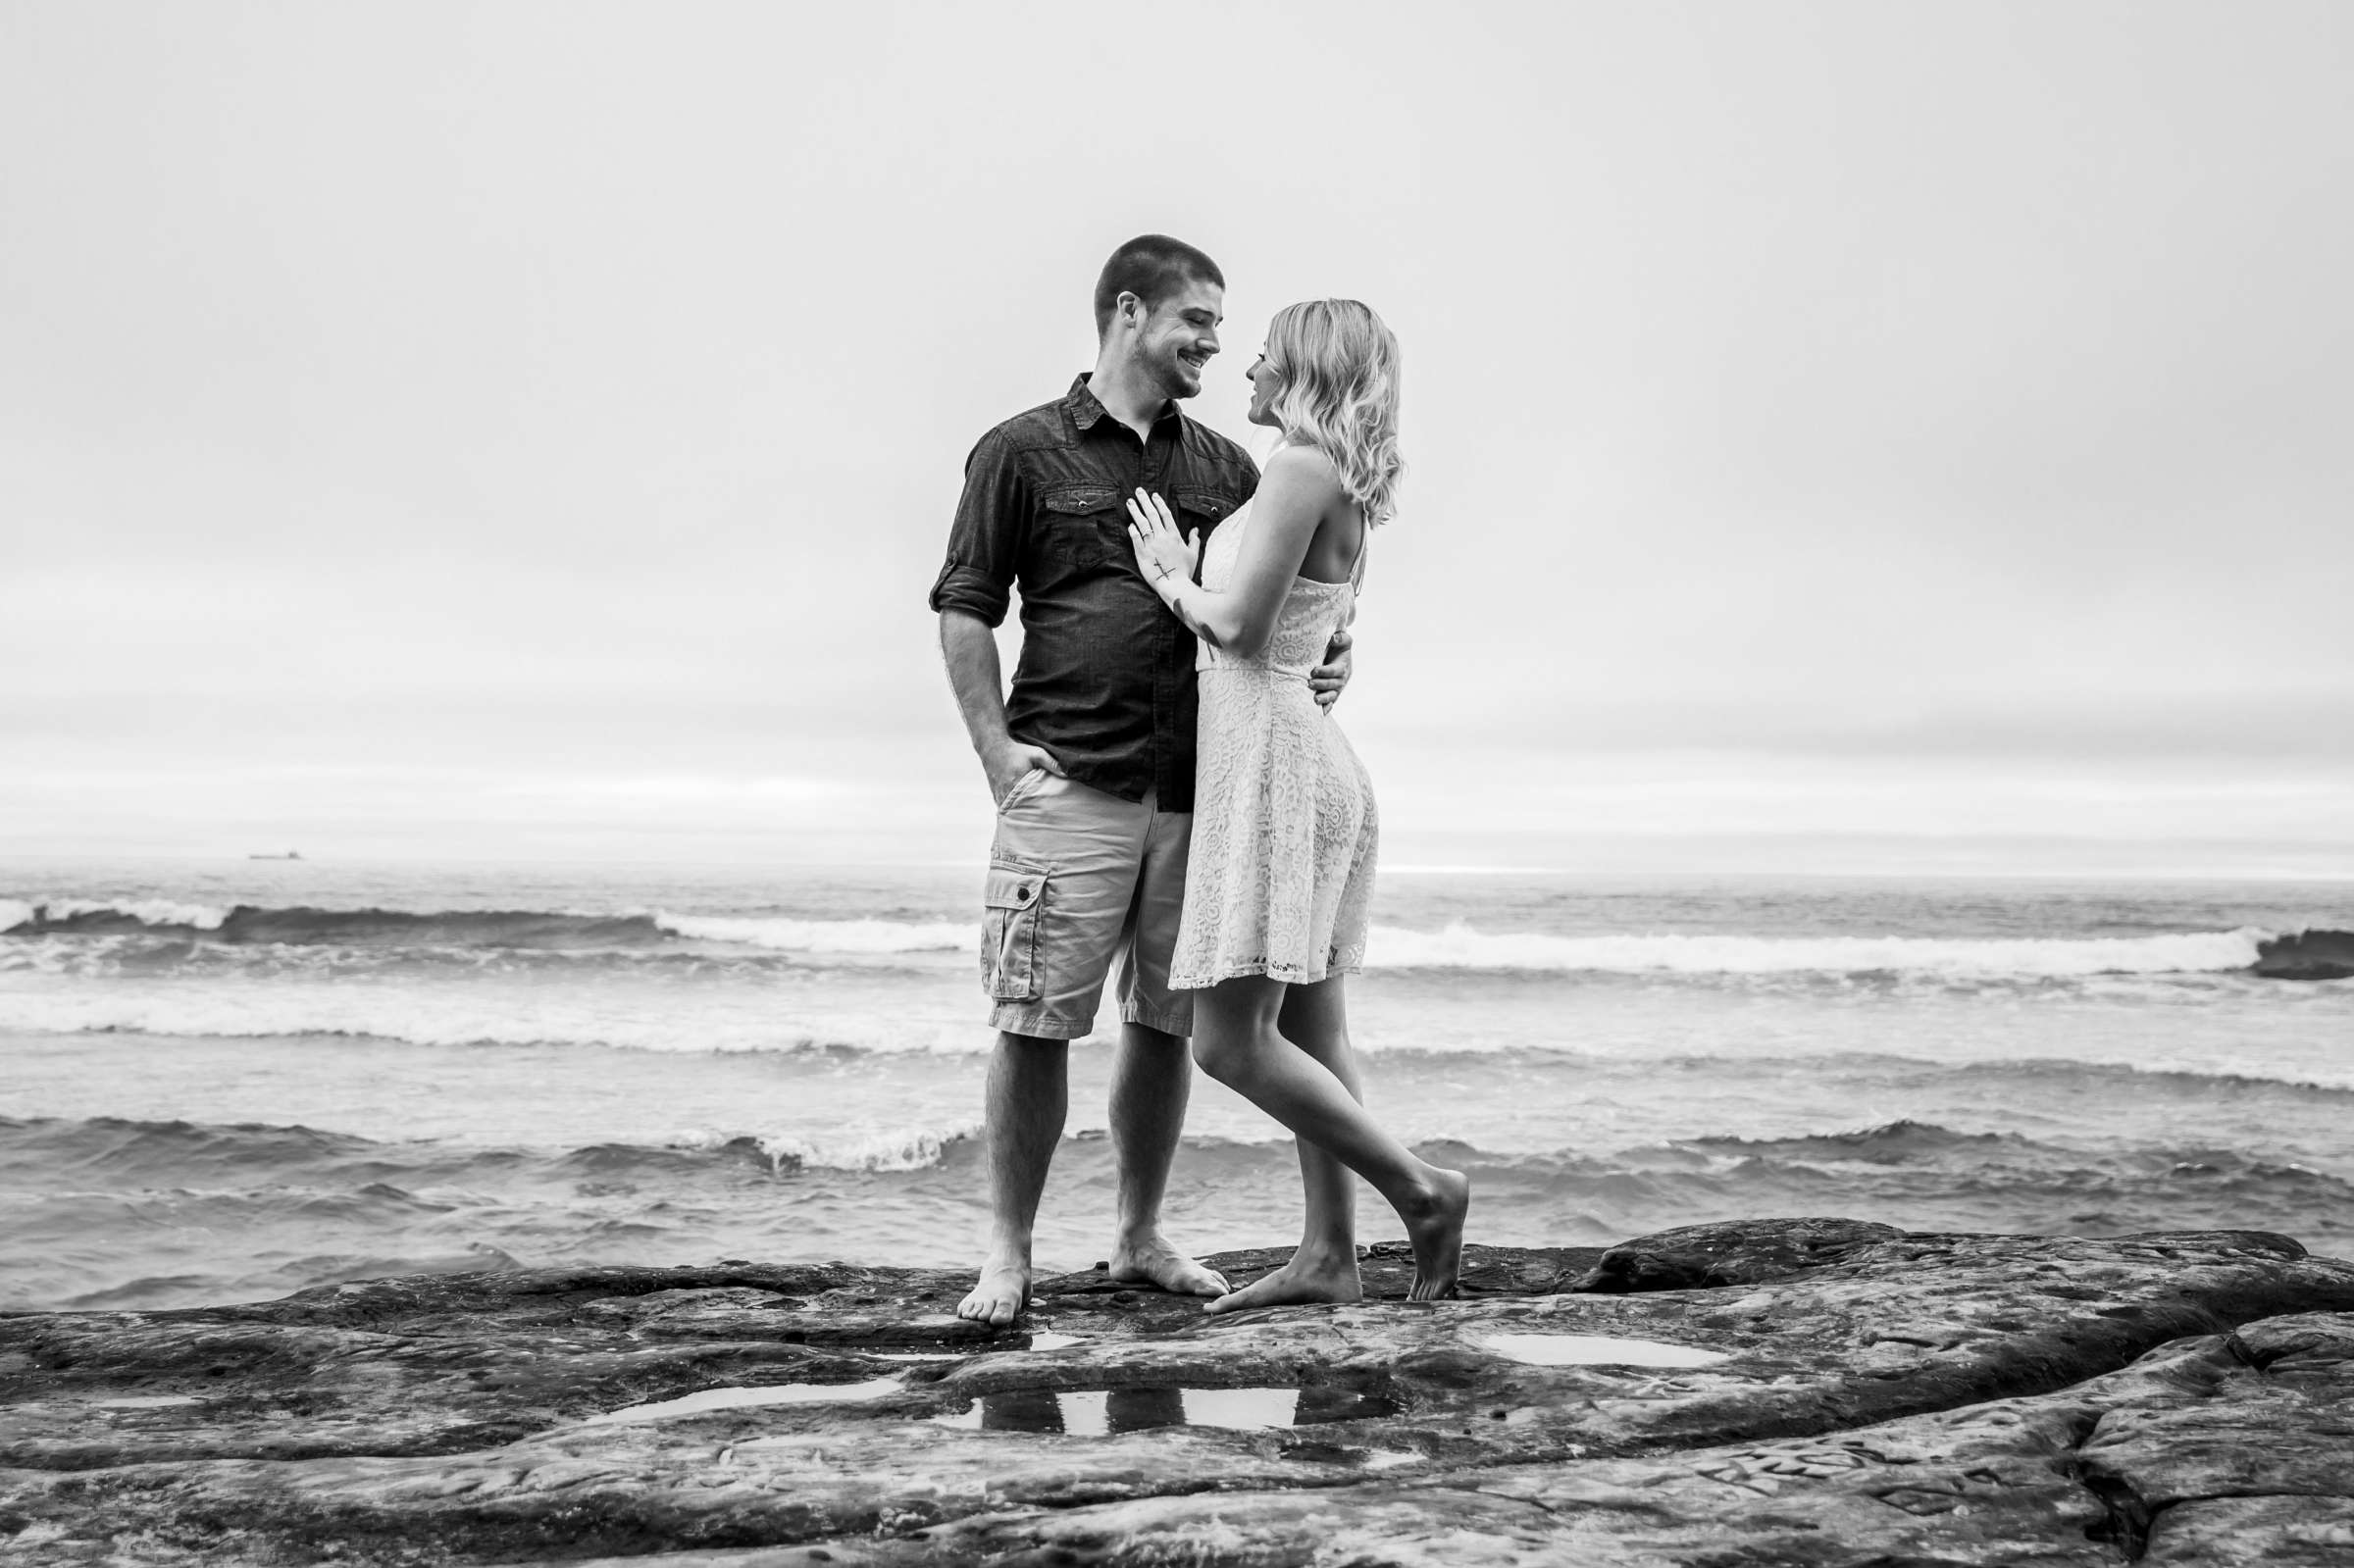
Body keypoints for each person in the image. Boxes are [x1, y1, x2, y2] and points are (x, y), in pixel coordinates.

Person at [930, 236, 1356, 1327]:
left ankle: (1137, 1235)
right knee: (1034, 1020)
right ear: (1130, 312)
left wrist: (1331, 657)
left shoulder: (1227, 466)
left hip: (1204, 792)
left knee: (1164, 1024)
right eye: (1199, 320)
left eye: (1223, 326)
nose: (1216, 341)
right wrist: (994, 755)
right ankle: (1009, 1251)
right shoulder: (1019, 453)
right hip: (1066, 776)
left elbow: (1282, 596)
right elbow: (966, 605)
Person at [1124, 299, 1468, 1307]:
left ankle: (1424, 1191)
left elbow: (1237, 628)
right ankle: (1330, 1257)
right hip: (1299, 758)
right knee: (1315, 1033)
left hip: (1275, 770)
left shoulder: (1301, 468)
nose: (1250, 364)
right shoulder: (1334, 478)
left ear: (1306, 369)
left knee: (1227, 1040)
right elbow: (1319, 627)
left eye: (1267, 351)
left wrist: (1171, 579)